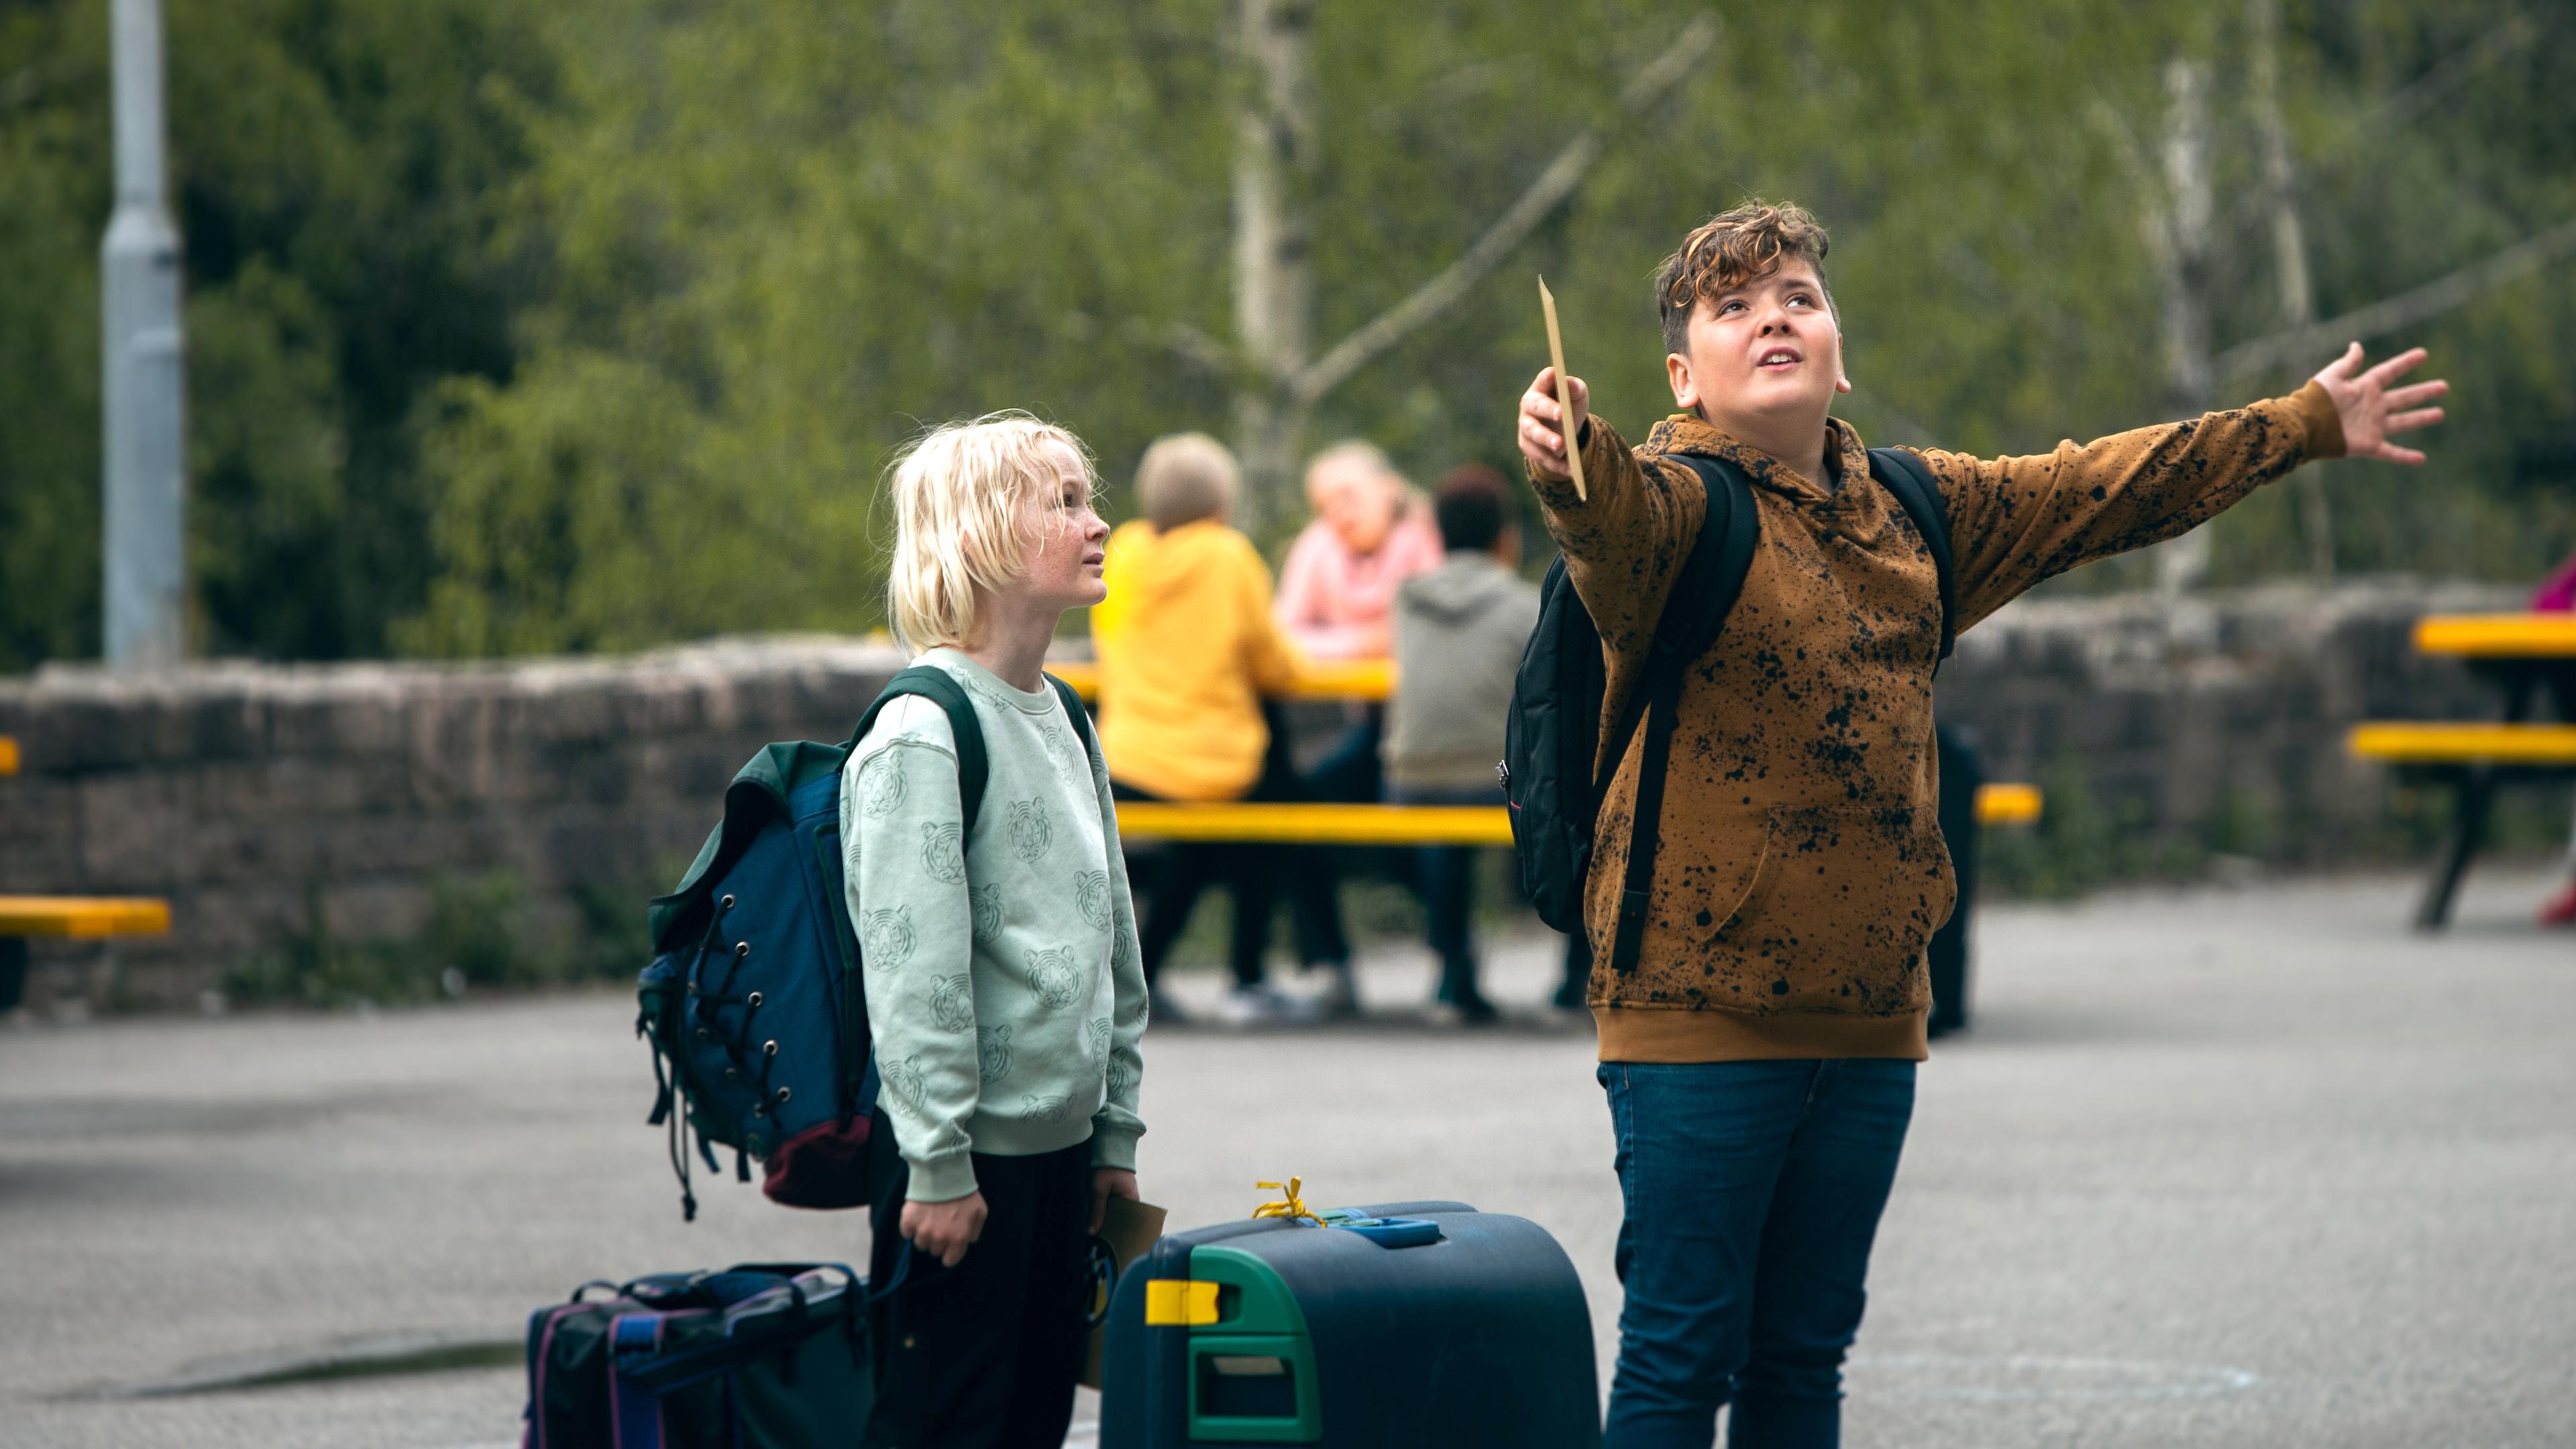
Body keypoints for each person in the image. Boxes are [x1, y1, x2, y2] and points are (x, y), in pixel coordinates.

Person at [1517, 200, 2446, 1448]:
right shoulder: (1680, 512)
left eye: (1797, 295)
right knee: (1684, 1356)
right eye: (1732, 307)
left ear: (1839, 346)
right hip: (1698, 1017)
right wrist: (1570, 459)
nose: (1773, 317)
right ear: (1684, 375)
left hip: (1874, 1019)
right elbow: (1610, 519)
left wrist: (2303, 424)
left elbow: (2103, 488)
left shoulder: (1917, 508)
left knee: (1803, 1361)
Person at [846, 411, 1149, 1449]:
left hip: (1061, 1160)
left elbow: (1113, 940)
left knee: (1031, 1423)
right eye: (1064, 502)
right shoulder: (923, 730)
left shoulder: (1064, 714)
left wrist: (1115, 1129)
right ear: (979, 538)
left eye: (1086, 496)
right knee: (944, 1427)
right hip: (961, 1168)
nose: (1098, 520)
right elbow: (911, 972)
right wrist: (935, 1163)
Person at [1091, 432, 1321, 1026]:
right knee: (1269, 816)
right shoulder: (1228, 556)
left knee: (1194, 849)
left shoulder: (1125, 552)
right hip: (1215, 761)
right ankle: (1248, 977)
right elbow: (1274, 667)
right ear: (1221, 498)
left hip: (1130, 755)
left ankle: (1145, 980)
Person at [1383, 466, 1542, 1024]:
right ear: (1506, 537)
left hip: (1408, 779)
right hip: (1495, 780)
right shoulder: (1527, 605)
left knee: (1435, 816)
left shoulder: (1405, 601)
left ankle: (1454, 968)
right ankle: (1576, 979)